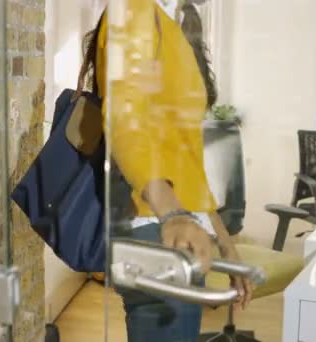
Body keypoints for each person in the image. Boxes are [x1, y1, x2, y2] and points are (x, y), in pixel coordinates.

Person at [76, 1, 252, 341]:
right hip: (154, 225)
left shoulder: (167, 20)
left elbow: (187, 162)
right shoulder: (134, 10)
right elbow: (125, 124)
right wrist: (173, 214)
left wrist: (226, 244)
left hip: (175, 224)